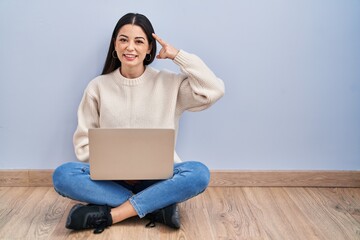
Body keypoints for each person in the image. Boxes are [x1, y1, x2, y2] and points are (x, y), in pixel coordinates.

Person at [52, 12, 225, 234]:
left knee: (199, 173)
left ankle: (114, 214)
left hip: (158, 179)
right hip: (112, 181)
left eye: (139, 41)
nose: (130, 47)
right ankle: (155, 207)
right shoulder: (98, 87)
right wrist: (116, 168)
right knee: (63, 175)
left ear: (149, 49)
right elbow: (83, 144)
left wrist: (177, 55)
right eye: (123, 40)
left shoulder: (169, 84)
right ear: (115, 45)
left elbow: (214, 90)